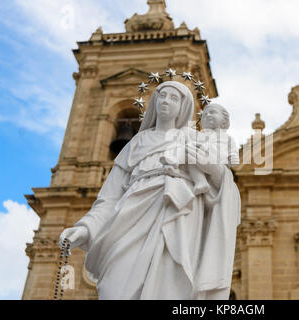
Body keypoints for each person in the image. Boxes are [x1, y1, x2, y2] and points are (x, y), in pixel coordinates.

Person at [59, 81, 241, 300]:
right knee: (113, 291)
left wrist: (209, 167)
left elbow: (223, 180)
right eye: (162, 96)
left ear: (184, 106)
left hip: (177, 219)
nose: (166, 101)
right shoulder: (135, 143)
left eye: (174, 98)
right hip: (127, 219)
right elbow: (109, 198)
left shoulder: (194, 138)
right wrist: (85, 228)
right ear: (154, 101)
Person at [188, 103, 239, 195]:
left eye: (212, 112)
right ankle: (200, 181)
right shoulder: (201, 136)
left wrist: (233, 157)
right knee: (189, 152)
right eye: (205, 114)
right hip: (201, 160)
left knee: (193, 150)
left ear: (224, 120)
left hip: (218, 162)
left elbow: (233, 152)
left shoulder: (227, 138)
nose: (208, 115)